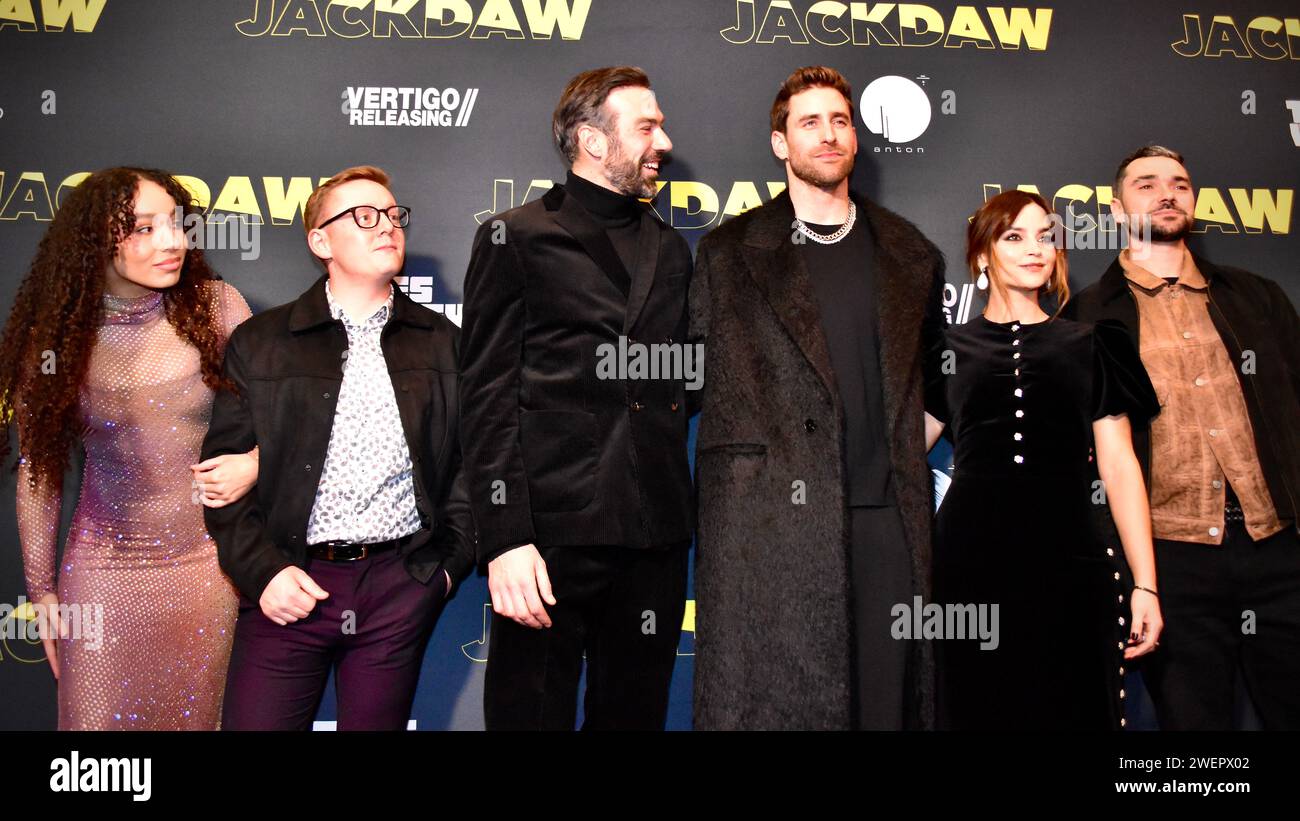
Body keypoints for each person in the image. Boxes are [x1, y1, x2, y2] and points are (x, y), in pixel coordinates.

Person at [688, 66, 945, 729]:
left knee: (889, 707)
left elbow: (940, 387)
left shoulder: (911, 252)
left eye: (840, 120)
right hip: (772, 533)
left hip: (887, 524)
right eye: (809, 122)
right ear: (780, 143)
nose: (828, 135)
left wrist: (893, 459)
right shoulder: (727, 253)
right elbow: (687, 384)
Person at [459, 66, 693, 730]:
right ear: (592, 139)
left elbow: (682, 380)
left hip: (653, 535)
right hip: (550, 540)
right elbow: (486, 394)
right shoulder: (517, 236)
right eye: (647, 126)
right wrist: (505, 540)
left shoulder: (672, 249)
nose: (664, 142)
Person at [201, 165, 475, 730]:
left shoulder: (443, 342)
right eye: (365, 216)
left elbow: (473, 466)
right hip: (288, 582)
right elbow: (221, 481)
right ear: (320, 240)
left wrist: (443, 571)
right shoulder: (262, 341)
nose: (388, 227)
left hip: (398, 588)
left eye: (394, 216)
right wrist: (263, 574)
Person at [0, 167, 258, 729]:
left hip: (208, 571)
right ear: (95, 244)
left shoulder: (218, 307)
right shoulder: (59, 340)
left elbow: (280, 424)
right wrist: (42, 592)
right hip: (103, 575)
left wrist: (255, 464)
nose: (172, 241)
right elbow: (39, 472)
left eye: (175, 223)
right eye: (143, 228)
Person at [1063, 145, 1300, 730]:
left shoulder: (1258, 297)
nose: (1167, 193)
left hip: (1280, 550)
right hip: (1171, 561)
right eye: (1146, 185)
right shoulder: (1088, 316)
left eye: (1180, 184)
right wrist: (1137, 576)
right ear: (1117, 210)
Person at [924, 190, 1164, 730]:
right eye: (1014, 237)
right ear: (982, 255)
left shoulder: (1092, 343)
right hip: (967, 568)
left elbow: (1120, 467)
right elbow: (898, 451)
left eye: (1046, 237)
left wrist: (1145, 584)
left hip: (1071, 562)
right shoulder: (945, 349)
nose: (1035, 250)